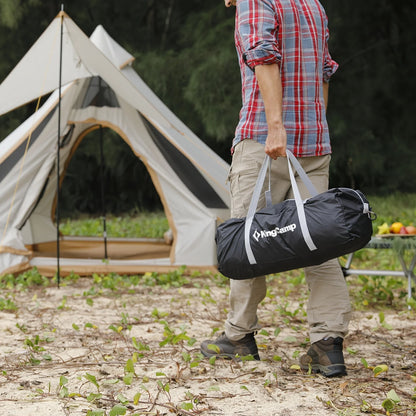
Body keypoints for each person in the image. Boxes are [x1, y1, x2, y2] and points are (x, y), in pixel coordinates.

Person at [200, 0, 351, 378]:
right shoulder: (312, 4)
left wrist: (277, 126)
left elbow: (265, 59)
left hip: (265, 142)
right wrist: (315, 129)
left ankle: (238, 336)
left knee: (245, 238)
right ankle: (328, 345)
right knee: (321, 244)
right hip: (314, 145)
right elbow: (324, 73)